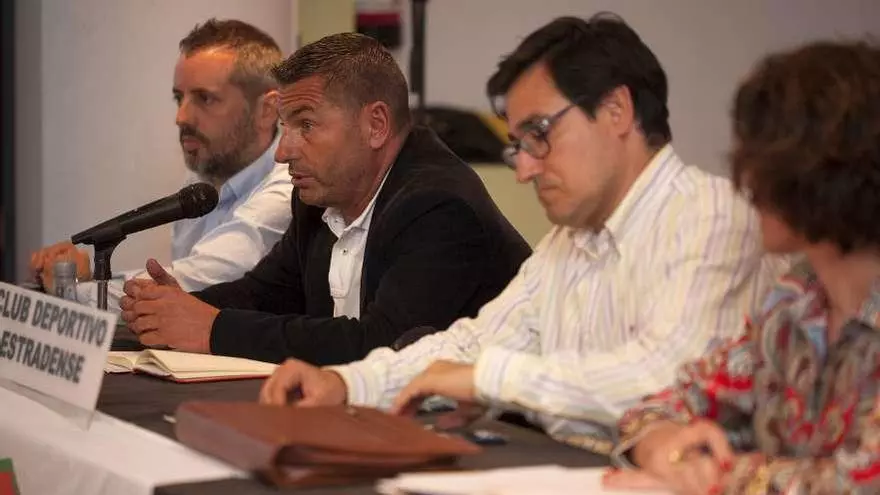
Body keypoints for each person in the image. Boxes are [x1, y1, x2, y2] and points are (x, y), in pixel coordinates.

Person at [258, 14, 789, 454]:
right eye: (518, 145)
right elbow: (477, 340)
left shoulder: (710, 216)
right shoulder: (569, 240)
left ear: (616, 111)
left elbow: (666, 378)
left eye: (539, 134)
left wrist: (485, 379)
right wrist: (349, 382)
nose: (525, 169)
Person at [118, 32, 532, 365]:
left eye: (306, 125)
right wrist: (176, 307)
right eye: (284, 127)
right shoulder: (318, 198)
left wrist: (211, 328)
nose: (283, 152)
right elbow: (264, 294)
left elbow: (383, 345)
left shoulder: (438, 205)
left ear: (376, 125)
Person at [604, 41, 880, 494]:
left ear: (823, 168)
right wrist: (665, 446)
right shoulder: (794, 302)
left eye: (760, 156)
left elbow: (860, 483)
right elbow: (667, 404)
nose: (745, 180)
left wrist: (715, 475)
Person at [29, 18, 292, 309]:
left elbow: (190, 287)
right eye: (179, 98)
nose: (181, 117)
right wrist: (89, 281)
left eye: (205, 98)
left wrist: (72, 290)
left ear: (267, 110)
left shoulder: (287, 191)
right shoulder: (200, 184)